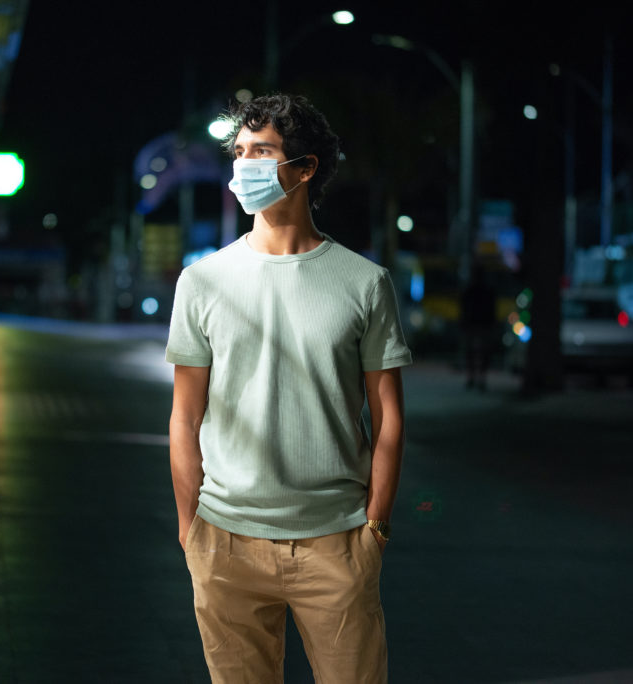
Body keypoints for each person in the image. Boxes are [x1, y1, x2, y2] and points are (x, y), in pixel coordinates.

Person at [166, 93, 413, 684]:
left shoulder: (364, 282)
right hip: (225, 541)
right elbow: (184, 415)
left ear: (305, 169)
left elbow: (388, 416)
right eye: (239, 153)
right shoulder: (202, 281)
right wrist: (190, 528)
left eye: (262, 152)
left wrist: (375, 526)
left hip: (336, 541)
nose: (243, 166)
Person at [460, 262, 497, 390]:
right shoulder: (485, 291)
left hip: (476, 324)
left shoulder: (471, 290)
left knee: (473, 352)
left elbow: (464, 308)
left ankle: (475, 377)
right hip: (481, 324)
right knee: (480, 352)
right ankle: (478, 378)